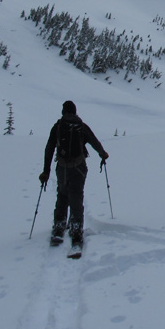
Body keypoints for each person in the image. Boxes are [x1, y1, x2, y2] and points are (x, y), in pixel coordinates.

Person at [39, 100, 108, 249]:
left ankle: (59, 225)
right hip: (79, 167)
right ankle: (76, 229)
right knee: (76, 196)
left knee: (62, 195)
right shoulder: (81, 126)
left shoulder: (58, 127)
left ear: (63, 111)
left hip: (62, 168)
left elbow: (49, 148)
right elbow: (94, 141)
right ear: (75, 111)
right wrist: (102, 154)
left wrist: (46, 170)